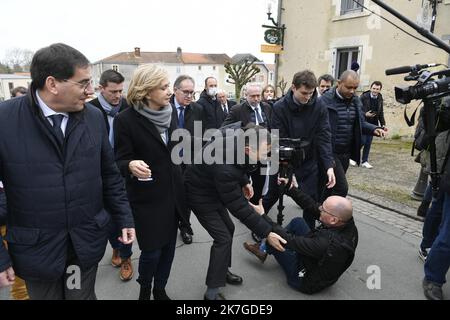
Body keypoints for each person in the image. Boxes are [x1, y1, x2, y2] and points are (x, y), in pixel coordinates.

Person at [0, 43, 135, 300]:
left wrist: (123, 217)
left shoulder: (93, 118)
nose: (90, 91)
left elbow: (109, 175)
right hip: (38, 252)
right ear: (52, 84)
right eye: (83, 83)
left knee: (79, 297)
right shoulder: (5, 121)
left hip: (82, 247)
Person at [114, 64, 189, 300]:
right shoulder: (125, 120)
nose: (169, 92)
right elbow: (118, 160)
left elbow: (178, 152)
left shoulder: (172, 114)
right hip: (146, 199)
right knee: (152, 251)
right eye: (164, 87)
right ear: (146, 92)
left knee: (168, 249)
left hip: (174, 194)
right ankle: (145, 288)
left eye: (169, 86)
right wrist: (129, 165)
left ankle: (160, 289)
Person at [184, 125, 284, 300]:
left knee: (229, 229)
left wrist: (245, 181)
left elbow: (239, 165)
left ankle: (222, 270)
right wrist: (267, 233)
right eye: (265, 152)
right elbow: (240, 208)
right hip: (199, 195)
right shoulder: (225, 170)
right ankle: (211, 293)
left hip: (212, 187)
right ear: (248, 149)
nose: (268, 156)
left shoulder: (236, 142)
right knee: (223, 238)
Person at [244, 178, 358, 294]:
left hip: (305, 280)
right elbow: (312, 206)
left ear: (333, 220)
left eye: (323, 209)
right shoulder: (347, 222)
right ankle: (263, 249)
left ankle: (264, 247)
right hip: (319, 260)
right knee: (298, 222)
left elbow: (290, 240)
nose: (319, 209)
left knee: (273, 238)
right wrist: (290, 188)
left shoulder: (325, 244)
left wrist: (262, 215)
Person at [263, 70, 336, 229]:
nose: (308, 97)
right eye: (304, 93)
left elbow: (324, 136)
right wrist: (288, 170)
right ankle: (259, 223)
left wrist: (329, 165)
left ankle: (309, 234)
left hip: (308, 159)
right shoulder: (279, 107)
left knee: (310, 201)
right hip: (283, 158)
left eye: (311, 93)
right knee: (272, 194)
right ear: (293, 88)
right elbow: (278, 140)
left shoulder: (319, 105)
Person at [88, 69, 133, 281]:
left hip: (123, 170)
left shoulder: (126, 106)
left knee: (124, 214)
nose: (118, 96)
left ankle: (126, 256)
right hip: (98, 173)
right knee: (106, 218)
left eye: (120, 91)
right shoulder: (88, 110)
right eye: (113, 91)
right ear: (101, 88)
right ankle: (115, 246)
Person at [319, 70, 385, 199]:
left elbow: (360, 123)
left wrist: (374, 129)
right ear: (339, 83)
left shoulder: (356, 101)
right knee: (341, 188)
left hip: (346, 153)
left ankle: (320, 212)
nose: (352, 91)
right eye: (349, 87)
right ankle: (328, 213)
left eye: (355, 88)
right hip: (330, 152)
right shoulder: (325, 101)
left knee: (329, 187)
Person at [222, 83, 272, 205]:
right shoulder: (237, 110)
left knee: (260, 182)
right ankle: (242, 206)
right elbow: (224, 129)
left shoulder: (267, 107)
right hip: (245, 154)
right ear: (246, 95)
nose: (256, 99)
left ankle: (255, 206)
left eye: (258, 95)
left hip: (263, 153)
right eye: (253, 96)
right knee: (243, 182)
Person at [170, 74, 206, 244]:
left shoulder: (197, 109)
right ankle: (170, 225)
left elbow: (200, 136)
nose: (189, 96)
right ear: (175, 90)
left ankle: (185, 227)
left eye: (192, 92)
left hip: (189, 161)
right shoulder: (164, 107)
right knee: (171, 196)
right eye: (185, 92)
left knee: (186, 196)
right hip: (169, 161)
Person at [359, 81, 387, 169]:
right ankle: (353, 156)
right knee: (362, 141)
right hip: (363, 122)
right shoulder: (364, 96)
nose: (375, 90)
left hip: (373, 123)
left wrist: (383, 124)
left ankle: (365, 161)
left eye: (377, 89)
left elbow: (381, 112)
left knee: (368, 142)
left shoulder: (380, 98)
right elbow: (358, 109)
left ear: (380, 90)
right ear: (371, 88)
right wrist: (365, 114)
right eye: (374, 88)